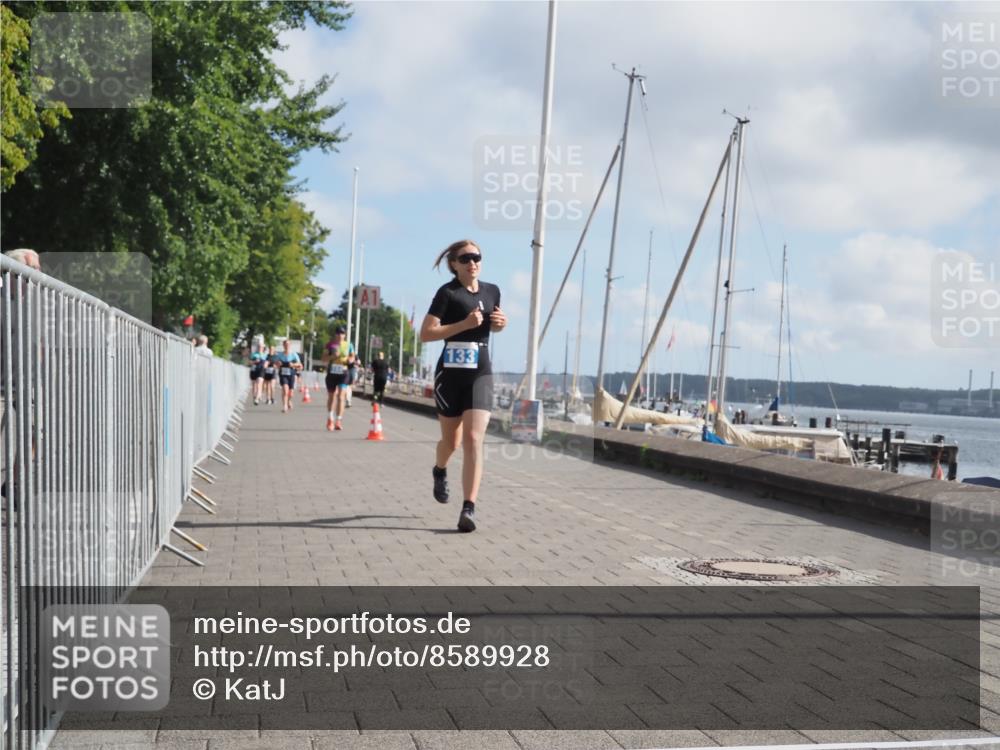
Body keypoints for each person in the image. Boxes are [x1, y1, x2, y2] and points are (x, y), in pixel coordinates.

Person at [419, 239, 506, 533]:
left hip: (480, 373)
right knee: (451, 443)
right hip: (451, 375)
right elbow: (426, 334)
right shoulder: (447, 293)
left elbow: (491, 325)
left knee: (473, 438)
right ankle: (439, 469)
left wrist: (499, 324)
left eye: (477, 257)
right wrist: (463, 325)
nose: (473, 262)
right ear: (454, 264)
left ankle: (468, 508)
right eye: (466, 258)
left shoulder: (492, 291)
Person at [322, 327, 354, 431]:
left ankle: (339, 420)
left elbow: (352, 356)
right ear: (335, 334)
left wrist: (350, 360)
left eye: (342, 334)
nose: (340, 335)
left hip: (343, 373)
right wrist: (332, 356)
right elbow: (323, 359)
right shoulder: (329, 344)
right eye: (338, 333)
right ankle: (330, 418)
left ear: (345, 335)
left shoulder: (349, 345)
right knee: (332, 397)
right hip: (332, 373)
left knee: (341, 396)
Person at [275, 339, 303, 413]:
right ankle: (284, 406)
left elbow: (300, 365)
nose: (287, 346)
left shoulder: (293, 354)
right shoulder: (280, 355)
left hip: (291, 374)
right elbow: (276, 364)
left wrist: (293, 364)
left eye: (288, 344)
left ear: (290, 346)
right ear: (283, 345)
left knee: (291, 393)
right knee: (285, 389)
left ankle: (289, 400)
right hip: (283, 374)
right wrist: (278, 363)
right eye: (285, 344)